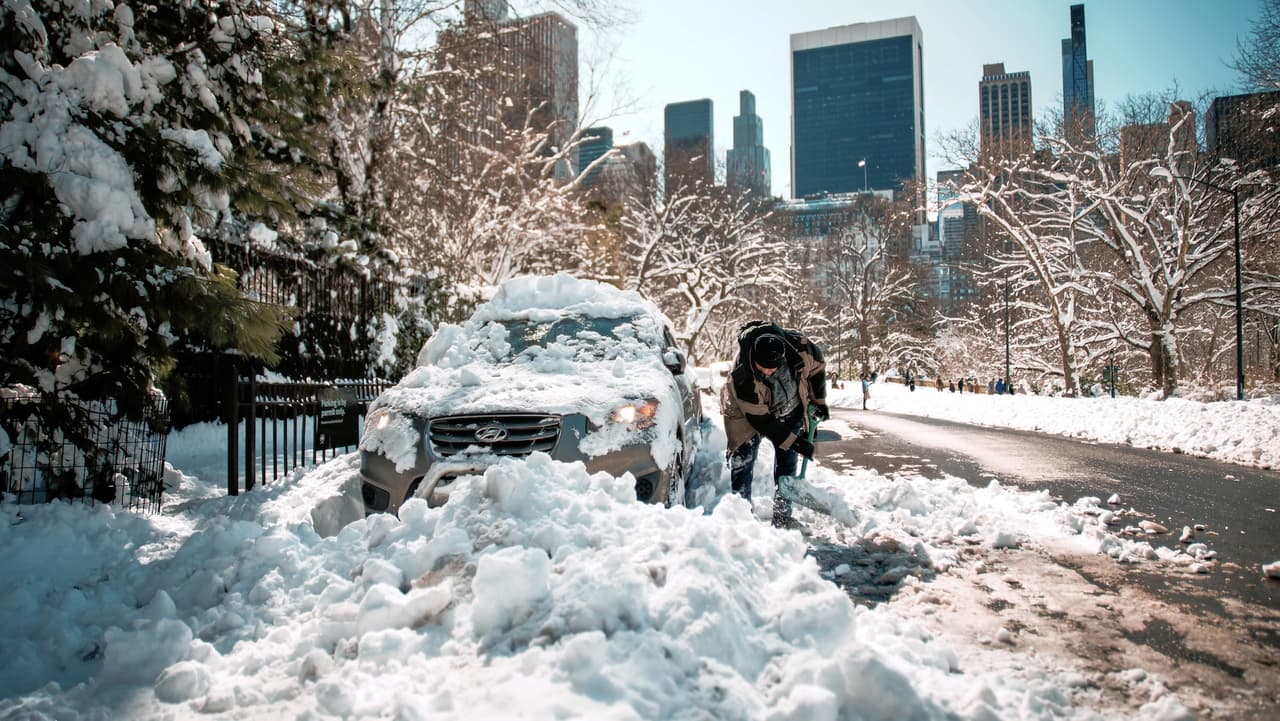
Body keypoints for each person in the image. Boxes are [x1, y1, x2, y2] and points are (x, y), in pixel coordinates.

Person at [722, 321, 828, 528]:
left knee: (787, 465)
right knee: (743, 459)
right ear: (754, 359)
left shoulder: (801, 348)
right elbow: (761, 420)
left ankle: (782, 517)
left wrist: (819, 402)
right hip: (746, 414)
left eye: (773, 368)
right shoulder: (742, 376)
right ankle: (741, 520)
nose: (768, 372)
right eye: (763, 368)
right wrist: (796, 442)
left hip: (790, 407)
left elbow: (817, 368)